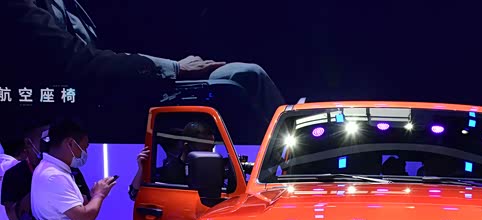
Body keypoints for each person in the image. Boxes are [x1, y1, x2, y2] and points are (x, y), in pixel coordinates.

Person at [1, 0, 283, 131]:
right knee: (243, 78)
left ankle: (290, 161)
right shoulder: (17, 8)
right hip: (82, 108)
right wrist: (174, 68)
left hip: (118, 90)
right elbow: (78, 63)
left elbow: (106, 53)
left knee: (244, 74)